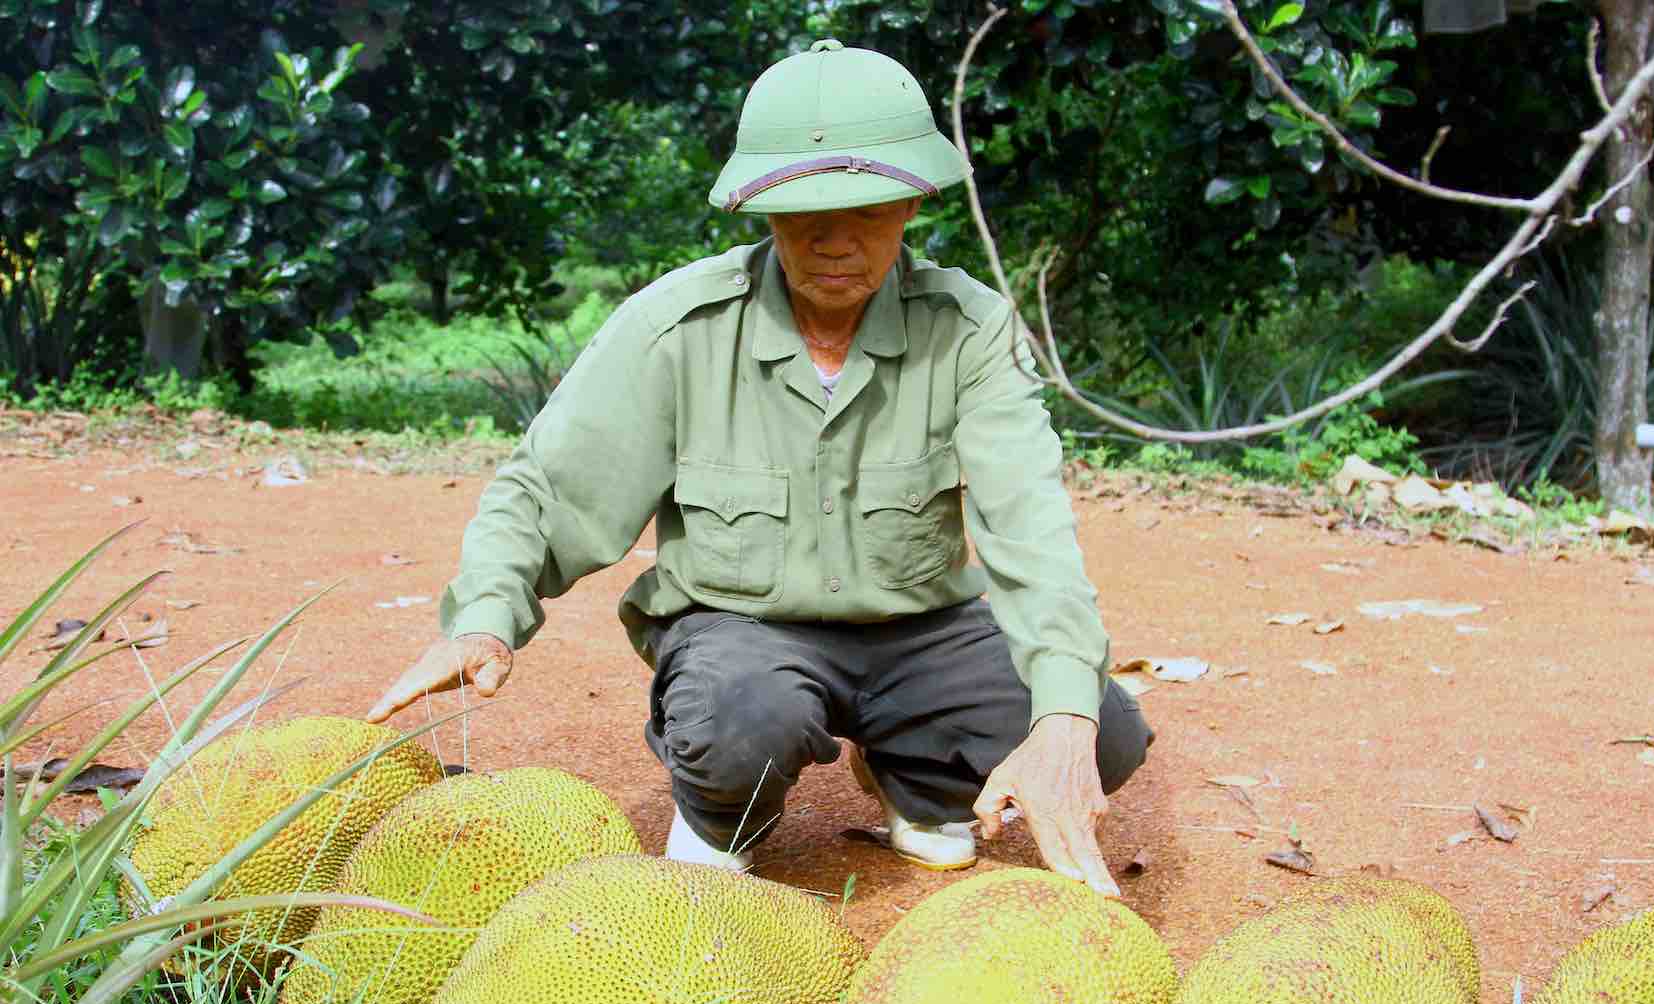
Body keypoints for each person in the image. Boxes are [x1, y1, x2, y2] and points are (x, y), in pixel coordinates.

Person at [367, 39, 1154, 897]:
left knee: (1098, 727)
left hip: (918, 632)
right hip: (744, 632)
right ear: (759, 207)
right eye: (802, 208)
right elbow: (550, 485)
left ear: (915, 203)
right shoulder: (680, 327)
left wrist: (1066, 714)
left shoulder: (969, 330)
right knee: (741, 721)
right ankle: (720, 808)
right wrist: (484, 616)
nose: (835, 239)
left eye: (868, 207)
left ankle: (918, 779)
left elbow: (1030, 527)